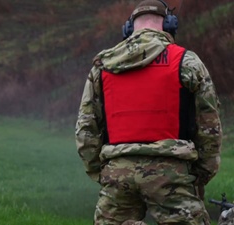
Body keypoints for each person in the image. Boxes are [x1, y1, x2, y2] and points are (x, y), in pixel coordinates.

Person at [75, 0, 223, 224]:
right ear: (169, 26)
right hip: (172, 175)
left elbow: (86, 129)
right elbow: (209, 128)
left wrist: (104, 173)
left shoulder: (102, 65)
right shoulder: (187, 62)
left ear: (128, 28)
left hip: (117, 173)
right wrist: (199, 176)